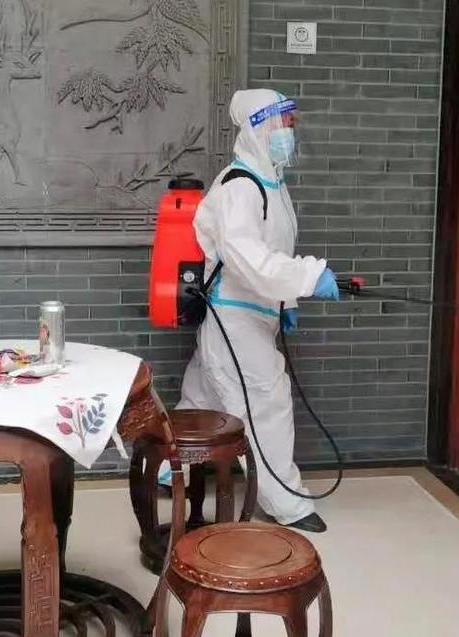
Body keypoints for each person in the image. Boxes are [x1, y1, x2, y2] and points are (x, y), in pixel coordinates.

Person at [168, 89, 340, 533]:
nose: (289, 133)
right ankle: (287, 503)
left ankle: (171, 469)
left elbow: (271, 253)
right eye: (283, 124)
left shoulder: (271, 183)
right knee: (266, 402)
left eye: (292, 124)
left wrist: (285, 304)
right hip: (235, 319)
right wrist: (310, 277)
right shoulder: (240, 187)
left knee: (206, 394)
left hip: (250, 313)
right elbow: (249, 260)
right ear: (258, 128)